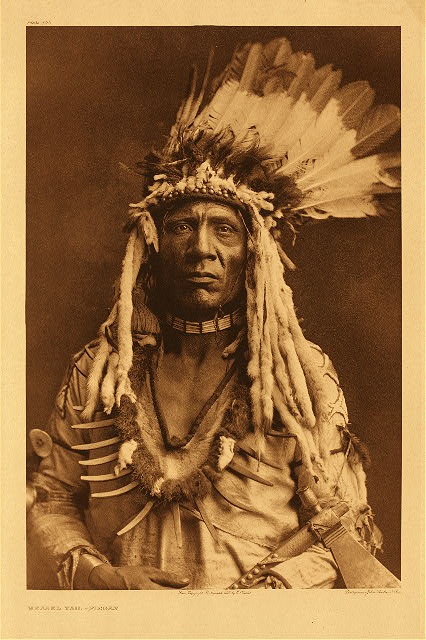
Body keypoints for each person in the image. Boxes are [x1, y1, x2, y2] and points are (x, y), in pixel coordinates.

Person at [27, 37, 400, 589]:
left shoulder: (296, 380)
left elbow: (345, 533)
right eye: (182, 225)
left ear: (254, 254)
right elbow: (53, 498)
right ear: (152, 245)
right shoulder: (100, 373)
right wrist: (99, 577)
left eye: (224, 229)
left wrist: (262, 597)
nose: (202, 248)